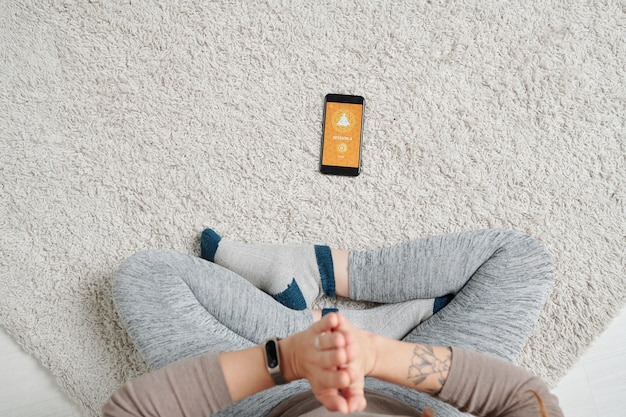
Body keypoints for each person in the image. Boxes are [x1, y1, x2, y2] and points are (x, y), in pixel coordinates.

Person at [104, 228, 564, 416]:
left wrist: (287, 359)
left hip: (265, 400)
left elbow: (129, 412)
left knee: (148, 276)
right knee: (518, 259)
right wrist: (375, 354)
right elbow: (527, 400)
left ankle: (316, 322)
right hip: (417, 397)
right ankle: (329, 275)